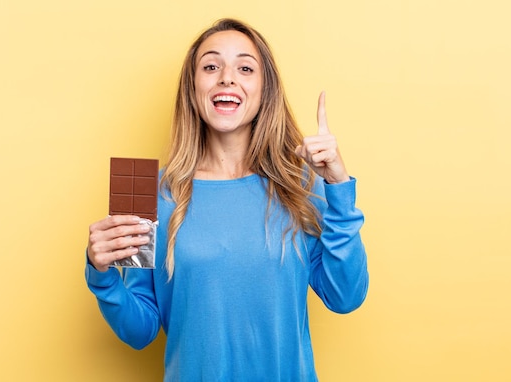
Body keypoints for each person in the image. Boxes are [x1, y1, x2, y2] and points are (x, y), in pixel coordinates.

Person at [85, 18, 369, 381]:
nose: (227, 78)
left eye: (245, 67)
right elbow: (140, 331)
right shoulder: (144, 191)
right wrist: (101, 274)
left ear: (264, 90)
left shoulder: (299, 183)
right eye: (211, 66)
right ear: (193, 88)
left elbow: (345, 297)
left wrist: (339, 189)